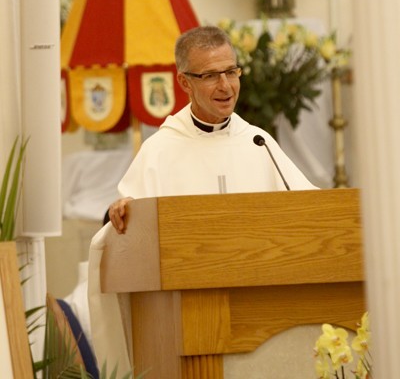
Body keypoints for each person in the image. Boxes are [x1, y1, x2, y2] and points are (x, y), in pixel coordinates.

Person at [108, 25, 317, 233]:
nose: (225, 86)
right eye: (210, 76)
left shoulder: (257, 142)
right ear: (185, 82)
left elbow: (311, 208)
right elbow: (130, 225)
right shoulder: (159, 150)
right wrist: (124, 211)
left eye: (231, 72)